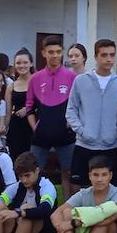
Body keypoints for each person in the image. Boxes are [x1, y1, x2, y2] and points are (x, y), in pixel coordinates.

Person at [68, 39, 117, 191]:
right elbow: (71, 110)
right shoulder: (81, 81)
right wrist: (83, 131)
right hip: (85, 144)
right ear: (96, 57)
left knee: (114, 189)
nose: (109, 59)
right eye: (104, 55)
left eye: (112, 55)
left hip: (112, 145)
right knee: (80, 188)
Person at [29, 39, 78, 196]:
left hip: (65, 134)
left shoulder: (72, 77)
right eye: (51, 52)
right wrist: (35, 127)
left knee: (69, 173)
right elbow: (29, 108)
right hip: (41, 135)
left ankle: (69, 208)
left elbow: (77, 105)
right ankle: (36, 205)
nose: (55, 55)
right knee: (33, 172)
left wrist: (71, 125)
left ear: (62, 52)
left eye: (58, 51)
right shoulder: (35, 78)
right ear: (44, 53)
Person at [6, 48, 37, 156]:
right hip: (16, 129)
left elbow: (46, 106)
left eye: (25, 62)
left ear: (31, 64)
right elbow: (8, 113)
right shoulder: (11, 86)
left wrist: (29, 110)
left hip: (34, 126)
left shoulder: (38, 82)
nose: (22, 66)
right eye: (18, 63)